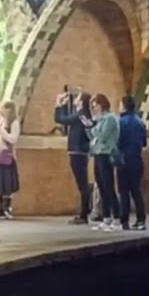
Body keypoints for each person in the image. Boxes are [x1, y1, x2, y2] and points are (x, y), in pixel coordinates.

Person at [54, 90, 93, 224]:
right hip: (81, 152)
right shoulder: (82, 115)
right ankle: (85, 212)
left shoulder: (80, 115)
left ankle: (84, 215)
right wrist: (64, 106)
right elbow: (67, 120)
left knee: (82, 185)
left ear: (81, 102)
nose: (75, 99)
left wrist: (58, 104)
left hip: (78, 152)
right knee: (83, 184)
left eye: (77, 98)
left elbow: (61, 119)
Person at [89, 93, 120, 231]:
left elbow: (102, 135)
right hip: (97, 153)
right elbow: (92, 135)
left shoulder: (110, 118)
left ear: (102, 104)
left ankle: (117, 218)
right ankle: (106, 218)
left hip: (106, 154)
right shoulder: (100, 120)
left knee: (109, 187)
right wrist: (90, 126)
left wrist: (92, 126)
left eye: (95, 104)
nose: (94, 107)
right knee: (101, 187)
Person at [117, 95, 147, 230]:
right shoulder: (141, 122)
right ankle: (141, 220)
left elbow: (118, 141)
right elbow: (144, 142)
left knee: (124, 192)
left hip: (124, 159)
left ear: (123, 106)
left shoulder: (121, 122)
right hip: (137, 158)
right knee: (136, 191)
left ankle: (124, 221)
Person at [0, 101, 21, 218]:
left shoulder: (14, 123)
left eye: (3, 108)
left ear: (9, 109)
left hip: (7, 157)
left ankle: (7, 208)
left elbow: (13, 139)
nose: (1, 110)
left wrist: (2, 131)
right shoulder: (0, 120)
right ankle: (1, 208)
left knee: (7, 184)